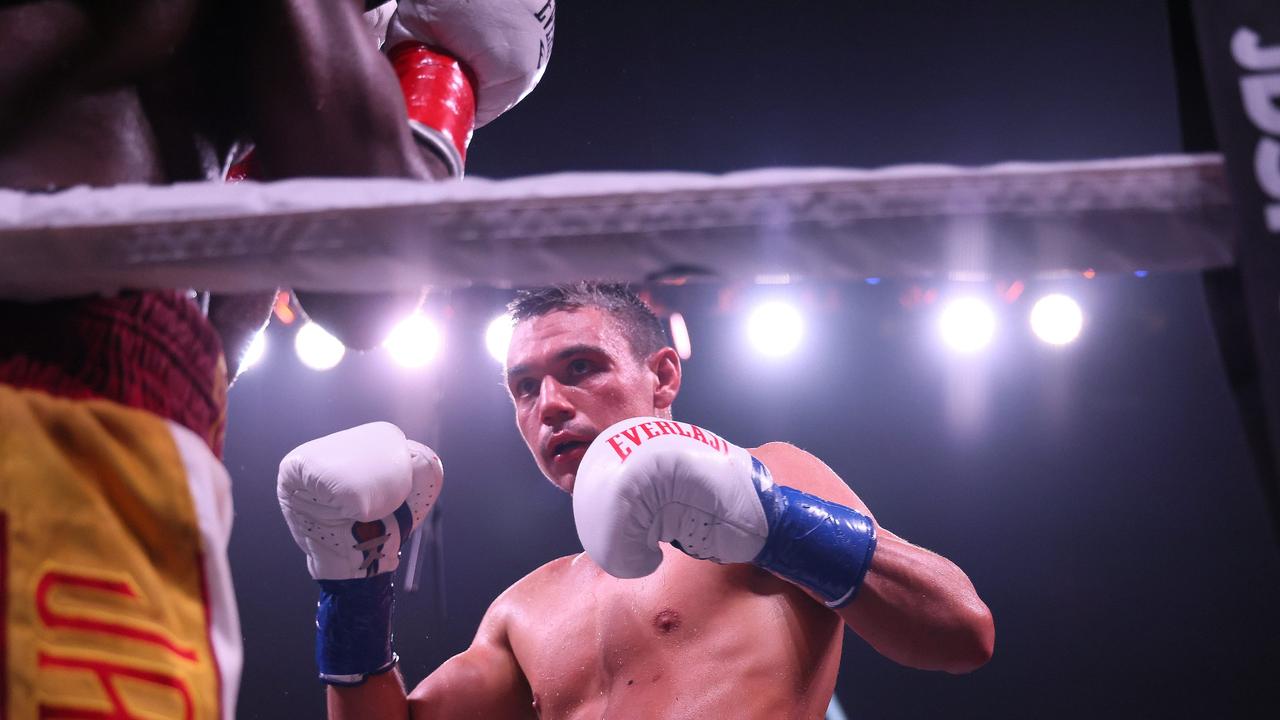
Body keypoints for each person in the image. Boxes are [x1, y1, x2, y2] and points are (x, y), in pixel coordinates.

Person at [0, 1, 550, 716]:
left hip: (111, 380)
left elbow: (226, 329)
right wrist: (437, 83)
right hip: (60, 372)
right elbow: (371, 282)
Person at [280, 281, 995, 719]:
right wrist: (352, 592)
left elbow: (962, 630)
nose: (549, 404)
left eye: (580, 368)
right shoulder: (525, 606)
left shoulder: (772, 473)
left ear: (662, 377)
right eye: (525, 388)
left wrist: (773, 520)